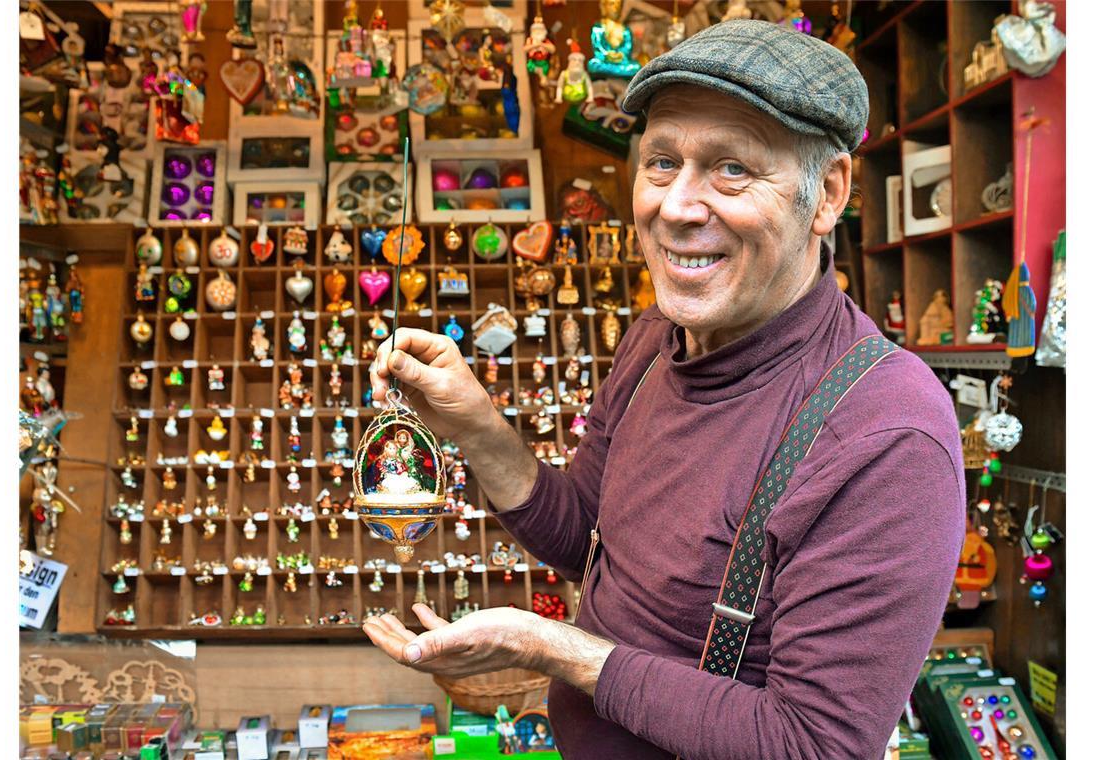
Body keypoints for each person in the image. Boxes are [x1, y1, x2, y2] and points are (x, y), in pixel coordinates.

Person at [362, 19, 964, 760]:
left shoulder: (886, 431)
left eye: (732, 169)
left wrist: (557, 649)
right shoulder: (656, 339)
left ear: (827, 193)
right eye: (661, 161)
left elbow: (816, 746)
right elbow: (586, 536)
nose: (676, 206)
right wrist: (478, 426)